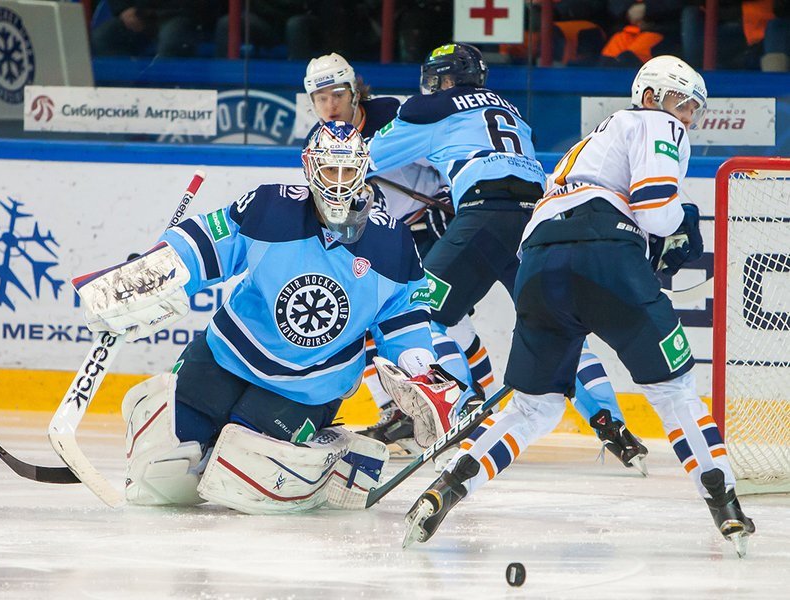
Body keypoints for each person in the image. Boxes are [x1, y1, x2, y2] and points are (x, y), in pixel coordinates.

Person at [401, 56, 756, 558]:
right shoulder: (655, 123)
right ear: (650, 95)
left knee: (533, 407)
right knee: (674, 391)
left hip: (539, 260)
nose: (687, 116)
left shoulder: (589, 143)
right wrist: (682, 226)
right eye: (682, 102)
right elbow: (656, 210)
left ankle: (445, 488)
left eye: (694, 108)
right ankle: (728, 509)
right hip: (603, 248)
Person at [76, 121, 465, 514]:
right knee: (159, 467)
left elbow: (404, 317)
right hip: (226, 356)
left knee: (244, 470)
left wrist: (421, 369)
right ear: (310, 167)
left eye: (349, 171)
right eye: (331, 170)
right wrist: (155, 270)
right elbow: (207, 242)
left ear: (363, 169)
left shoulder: (392, 242)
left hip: (309, 385)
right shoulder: (269, 207)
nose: (340, 182)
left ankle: (333, 455)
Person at [368, 43, 647, 470]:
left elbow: (365, 159)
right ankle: (611, 424)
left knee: (422, 313)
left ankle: (459, 410)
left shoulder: (429, 109)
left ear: (443, 79)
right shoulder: (511, 109)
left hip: (484, 217)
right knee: (558, 324)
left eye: (434, 78)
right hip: (537, 219)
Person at [303, 52, 494, 456]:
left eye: (337, 94)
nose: (330, 105)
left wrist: (450, 199)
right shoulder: (317, 143)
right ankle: (401, 412)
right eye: (321, 99)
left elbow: (446, 148)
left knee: (445, 314)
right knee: (365, 323)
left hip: (427, 225)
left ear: (354, 91)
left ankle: (482, 401)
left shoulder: (394, 110)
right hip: (379, 240)